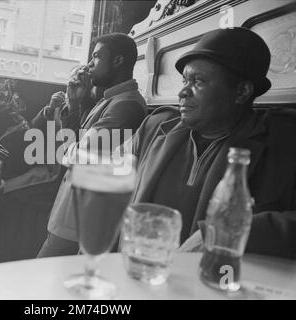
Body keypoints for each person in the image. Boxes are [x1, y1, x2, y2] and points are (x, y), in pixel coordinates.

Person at [122, 27, 296, 259]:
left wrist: (222, 233)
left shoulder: (284, 141)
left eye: (198, 81)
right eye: (185, 80)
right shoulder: (154, 127)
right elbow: (109, 189)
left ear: (242, 92)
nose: (183, 91)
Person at [37, 33, 148, 258]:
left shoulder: (127, 105)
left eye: (96, 57)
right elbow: (71, 145)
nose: (89, 65)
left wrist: (69, 151)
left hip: (82, 218)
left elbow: (75, 154)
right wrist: (75, 103)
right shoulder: (109, 100)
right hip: (71, 211)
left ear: (118, 61)